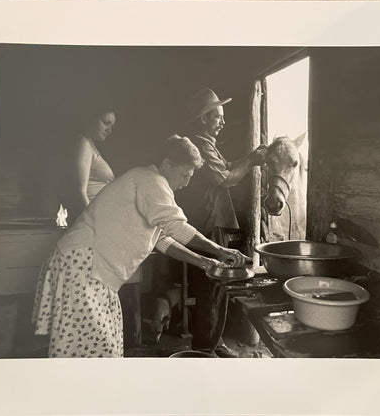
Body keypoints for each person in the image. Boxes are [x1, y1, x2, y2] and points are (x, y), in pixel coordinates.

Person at [32, 135, 249, 358]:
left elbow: (162, 239)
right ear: (166, 164)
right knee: (93, 350)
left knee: (99, 350)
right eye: (184, 174)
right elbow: (177, 227)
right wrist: (221, 251)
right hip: (84, 265)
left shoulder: (150, 184)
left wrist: (205, 262)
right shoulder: (150, 180)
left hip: (93, 270)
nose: (186, 182)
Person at [175, 87, 267, 358]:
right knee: (211, 285)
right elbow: (223, 178)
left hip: (214, 221)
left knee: (217, 287)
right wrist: (252, 160)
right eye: (218, 117)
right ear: (204, 119)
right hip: (208, 224)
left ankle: (213, 342)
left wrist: (249, 158)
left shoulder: (206, 141)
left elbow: (226, 165)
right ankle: (205, 348)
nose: (223, 122)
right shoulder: (199, 143)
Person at [66, 106, 117, 221]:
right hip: (94, 218)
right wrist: (92, 222)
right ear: (91, 119)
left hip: (103, 215)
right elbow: (80, 191)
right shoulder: (83, 144)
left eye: (111, 126)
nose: (109, 130)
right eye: (106, 123)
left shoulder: (90, 145)